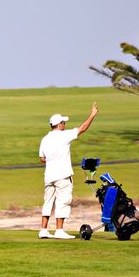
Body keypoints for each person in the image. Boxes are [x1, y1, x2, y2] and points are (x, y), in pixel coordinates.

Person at [38, 102, 98, 239]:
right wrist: (92, 115)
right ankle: (59, 230)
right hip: (62, 176)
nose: (65, 125)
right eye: (63, 123)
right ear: (59, 124)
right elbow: (83, 128)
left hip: (49, 176)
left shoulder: (45, 139)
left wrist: (53, 159)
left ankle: (43, 230)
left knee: (48, 202)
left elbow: (42, 158)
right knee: (63, 202)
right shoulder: (64, 136)